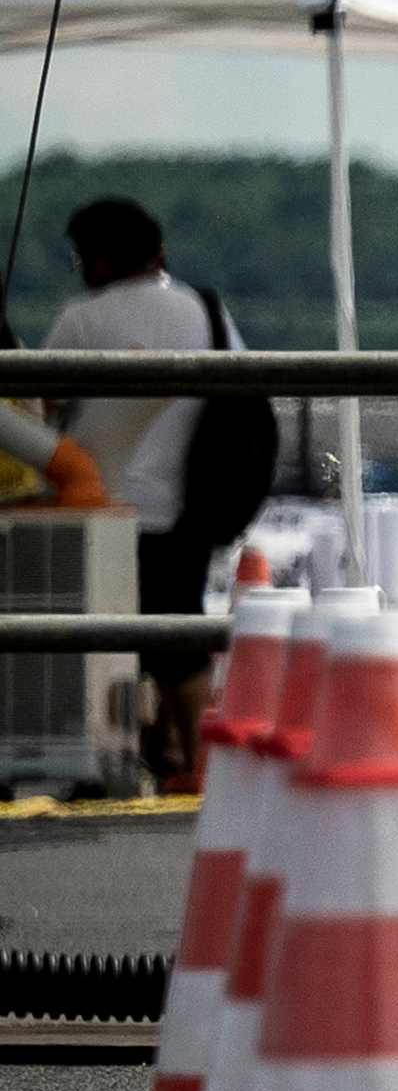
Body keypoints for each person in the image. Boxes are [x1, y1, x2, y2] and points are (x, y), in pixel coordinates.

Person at [38, 198, 272, 766]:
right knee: (179, 634)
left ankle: (134, 750)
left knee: (106, 640)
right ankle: (192, 760)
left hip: (97, 506)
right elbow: (247, 391)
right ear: (159, 249)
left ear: (94, 260)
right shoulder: (205, 309)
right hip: (188, 504)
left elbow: (40, 401)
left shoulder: (82, 319)